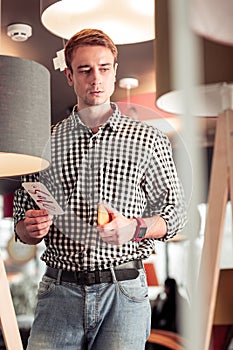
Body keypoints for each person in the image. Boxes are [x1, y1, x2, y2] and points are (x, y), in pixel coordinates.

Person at [14, 28, 187, 350]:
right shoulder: (43, 141)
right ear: (69, 76)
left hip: (124, 293)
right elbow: (23, 224)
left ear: (115, 72)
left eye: (104, 68)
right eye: (85, 70)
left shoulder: (148, 139)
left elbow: (175, 215)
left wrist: (134, 227)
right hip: (58, 291)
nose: (96, 78)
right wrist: (29, 228)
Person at [146, 278, 189, 350]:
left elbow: (157, 320)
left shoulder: (168, 303)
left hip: (168, 336)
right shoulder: (182, 300)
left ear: (168, 288)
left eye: (165, 287)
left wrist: (155, 305)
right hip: (180, 336)